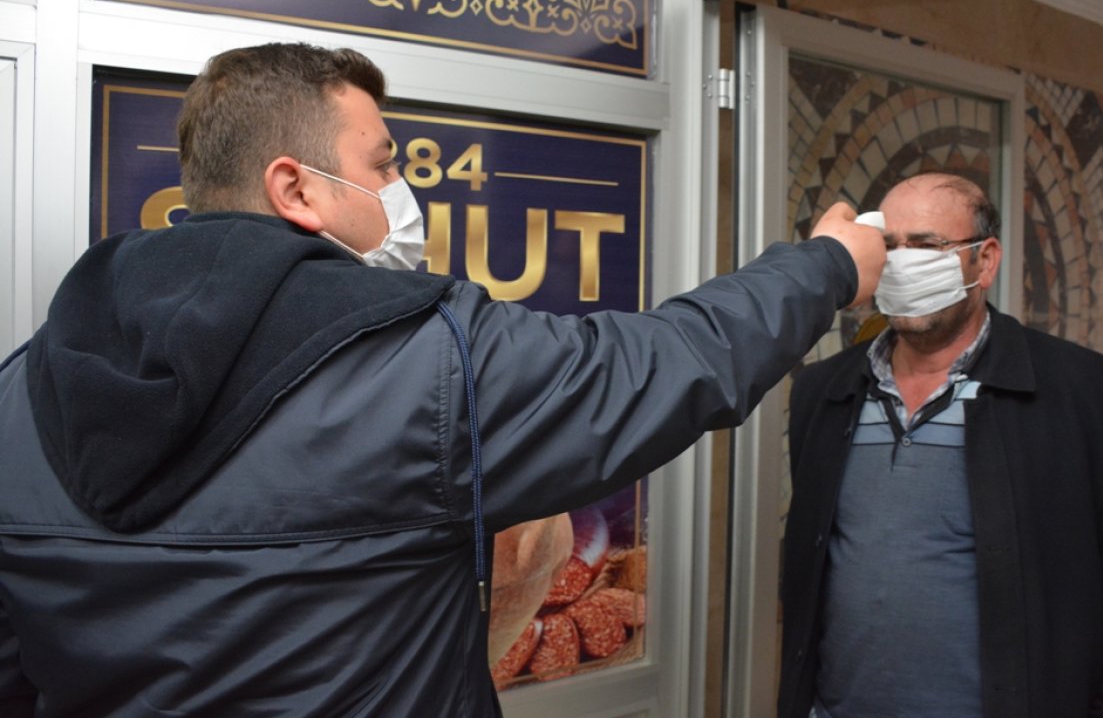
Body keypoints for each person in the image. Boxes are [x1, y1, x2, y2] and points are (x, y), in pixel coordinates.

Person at [0, 42, 884, 716]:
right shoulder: (420, 360)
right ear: (295, 190)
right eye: (384, 163)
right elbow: (665, 361)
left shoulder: (23, 385)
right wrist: (829, 265)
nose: (402, 186)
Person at [778, 172, 1103, 718]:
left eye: (926, 245)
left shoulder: (1085, 393)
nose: (903, 262)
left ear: (984, 262)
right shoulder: (824, 392)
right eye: (890, 246)